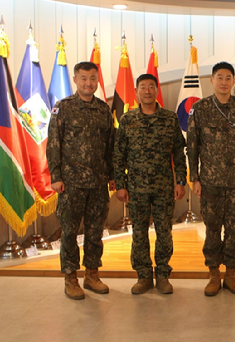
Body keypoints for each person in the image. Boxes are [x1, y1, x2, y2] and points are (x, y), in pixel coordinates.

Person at [187, 61, 235, 296]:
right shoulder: (200, 109)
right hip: (209, 182)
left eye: (228, 78)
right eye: (220, 77)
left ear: (234, 81)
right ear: (211, 80)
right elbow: (193, 145)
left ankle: (230, 274)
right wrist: (194, 177)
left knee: (234, 228)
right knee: (211, 227)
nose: (224, 82)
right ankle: (213, 274)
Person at [47, 61, 115, 300]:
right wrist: (56, 177)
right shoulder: (62, 108)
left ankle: (92, 275)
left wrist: (113, 176)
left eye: (93, 78)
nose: (89, 83)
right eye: (84, 78)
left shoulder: (103, 110)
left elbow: (110, 147)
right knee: (69, 232)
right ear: (75, 80)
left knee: (95, 232)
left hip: (98, 183)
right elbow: (53, 144)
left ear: (98, 80)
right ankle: (70, 278)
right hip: (71, 183)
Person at [114, 73, 187, 295]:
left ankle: (163, 275)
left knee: (164, 231)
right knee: (138, 232)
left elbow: (178, 152)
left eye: (151, 87)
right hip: (136, 188)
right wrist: (120, 184)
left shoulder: (169, 118)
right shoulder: (127, 120)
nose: (147, 91)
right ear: (136, 92)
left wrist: (181, 180)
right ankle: (144, 276)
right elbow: (119, 154)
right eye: (142, 87)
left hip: (164, 186)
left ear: (157, 90)